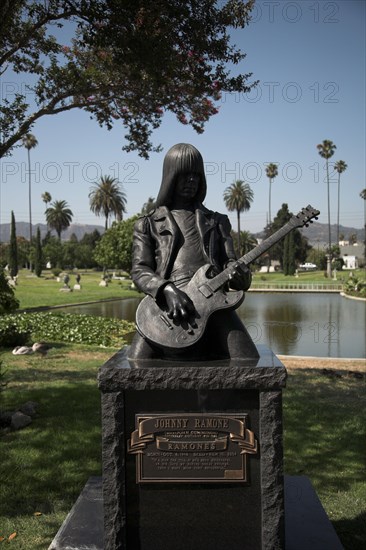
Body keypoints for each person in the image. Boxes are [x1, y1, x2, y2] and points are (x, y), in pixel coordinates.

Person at [129, 143, 258, 361]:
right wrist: (166, 290)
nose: (191, 181)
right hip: (164, 306)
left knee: (247, 358)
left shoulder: (218, 222)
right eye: (184, 175)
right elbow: (140, 269)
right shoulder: (147, 224)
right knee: (135, 362)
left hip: (212, 301)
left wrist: (241, 276)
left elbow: (230, 262)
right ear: (170, 177)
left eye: (196, 175)